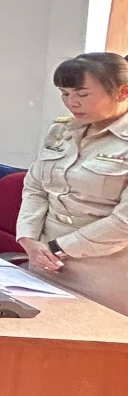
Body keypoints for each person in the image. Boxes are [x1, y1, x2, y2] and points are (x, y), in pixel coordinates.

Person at [16, 53, 128, 313]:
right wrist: (28, 238)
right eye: (64, 93)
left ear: (123, 92)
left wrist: (59, 247)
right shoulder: (61, 130)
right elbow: (35, 188)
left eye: (82, 94)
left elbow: (123, 223)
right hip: (43, 262)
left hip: (103, 274)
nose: (71, 103)